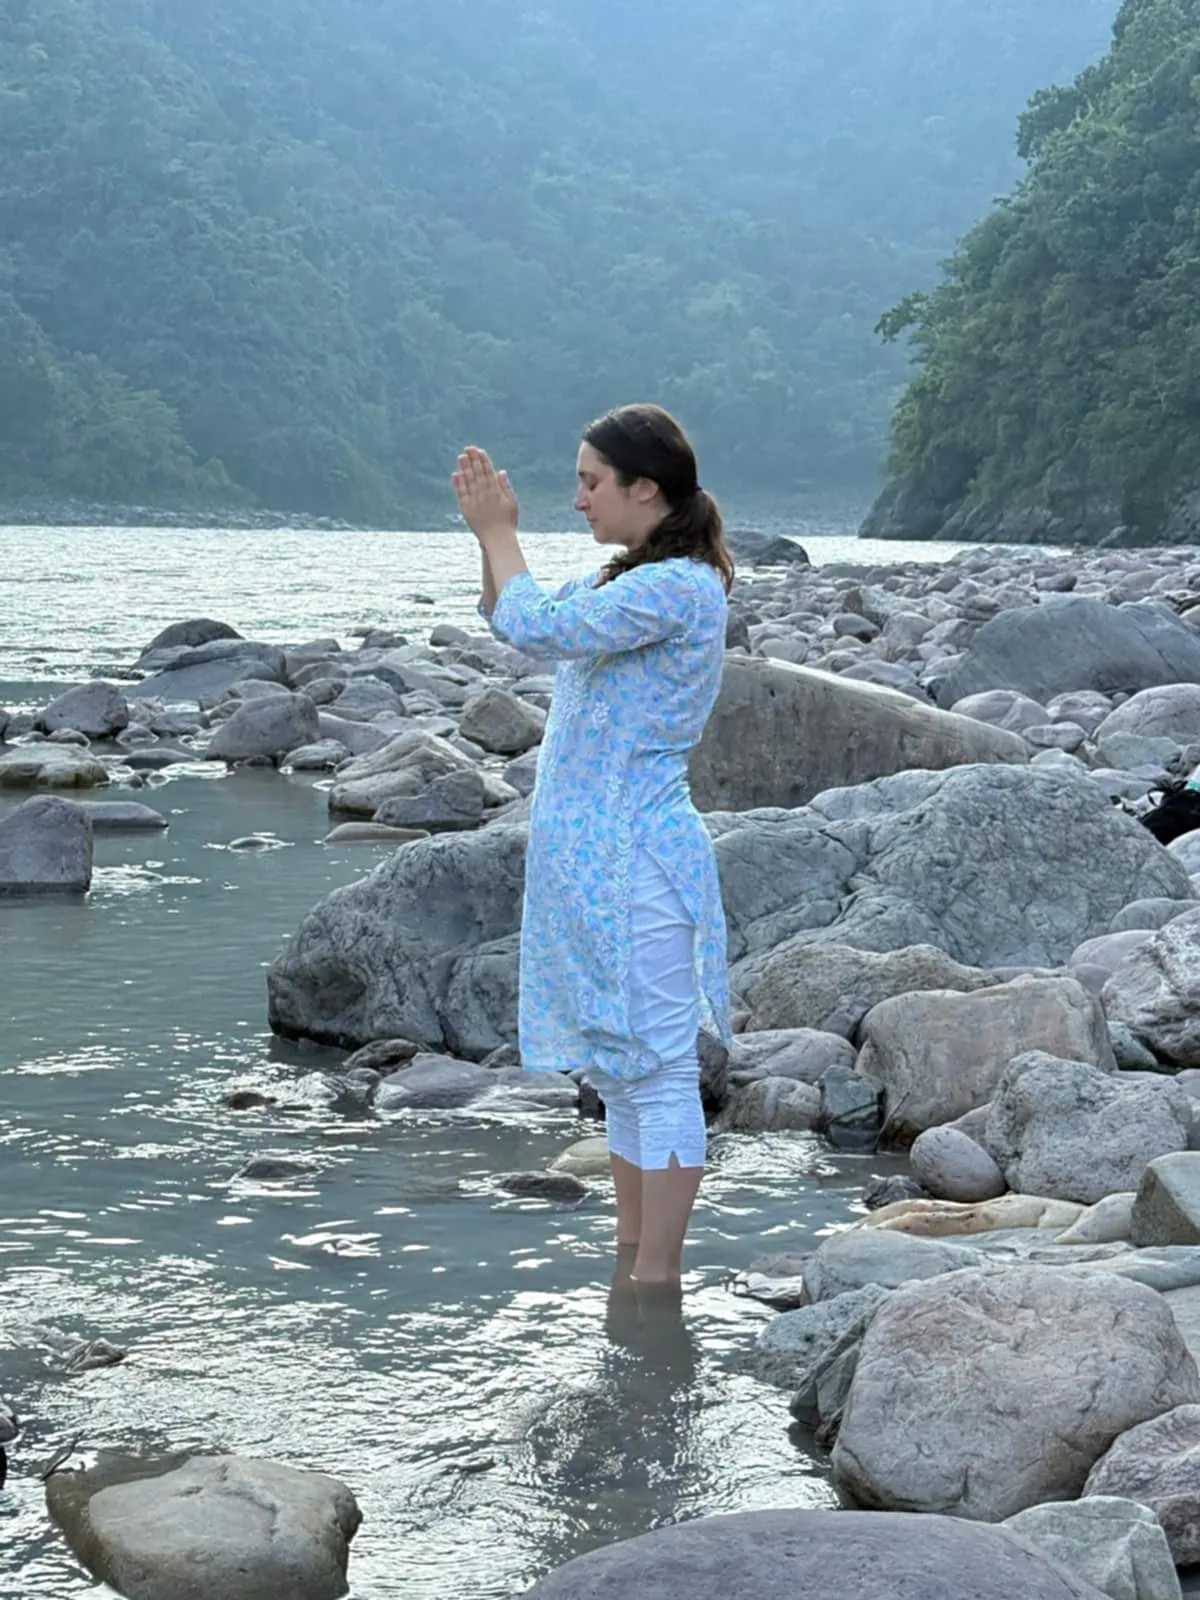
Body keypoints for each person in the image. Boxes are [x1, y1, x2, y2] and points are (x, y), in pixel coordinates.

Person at [453, 403, 733, 1287]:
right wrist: (488, 539)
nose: (578, 500)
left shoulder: (679, 587)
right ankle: (631, 1265)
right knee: (616, 1069)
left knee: (658, 1068)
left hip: (639, 860)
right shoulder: (623, 580)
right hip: (592, 863)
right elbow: (512, 614)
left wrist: (501, 532)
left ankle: (657, 1281)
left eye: (590, 482)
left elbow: (540, 628)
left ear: (645, 488)